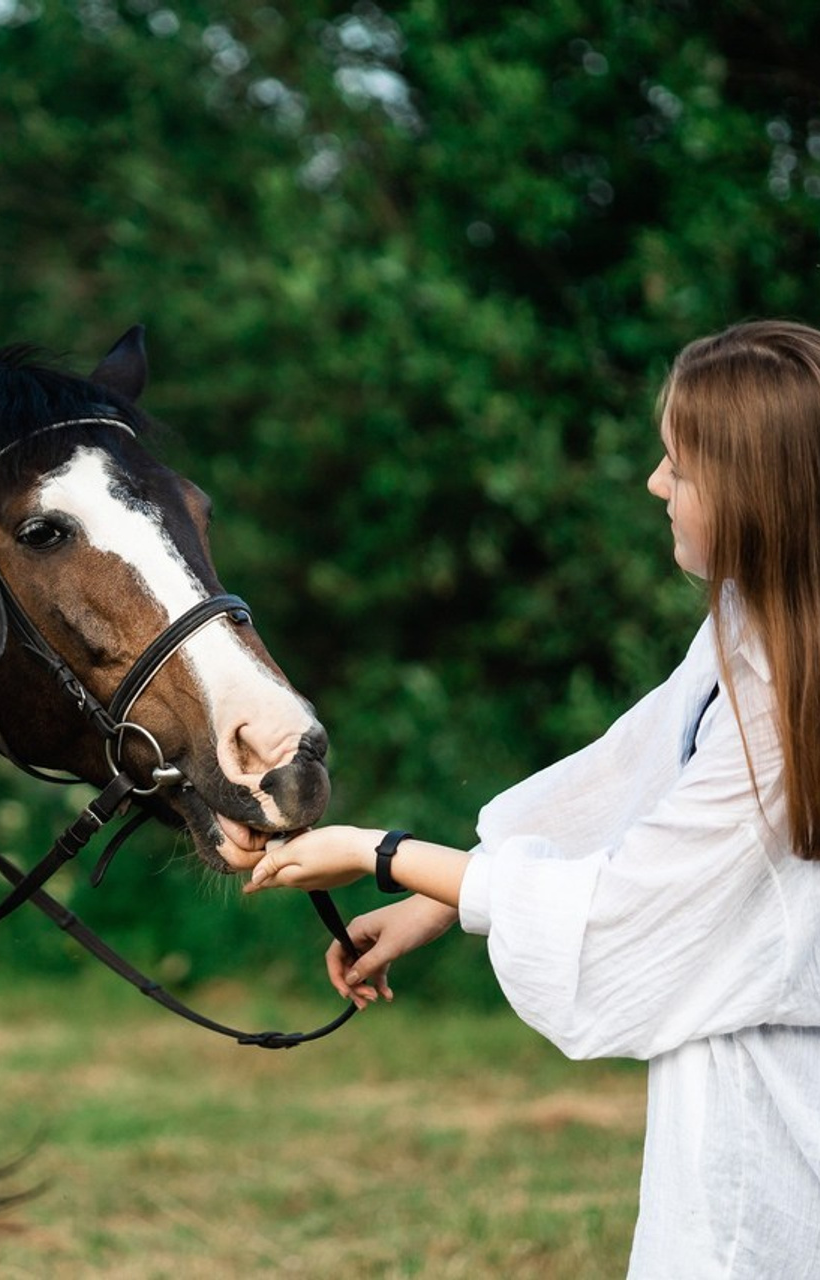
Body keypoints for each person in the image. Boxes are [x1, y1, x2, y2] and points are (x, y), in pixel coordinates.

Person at [244, 319, 820, 1279]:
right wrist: (435, 904)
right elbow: (627, 788)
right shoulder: (751, 628)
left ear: (757, 492)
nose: (655, 484)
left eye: (679, 465)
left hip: (784, 1127)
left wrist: (377, 851)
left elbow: (618, 920)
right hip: (735, 1104)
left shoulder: (784, 704)